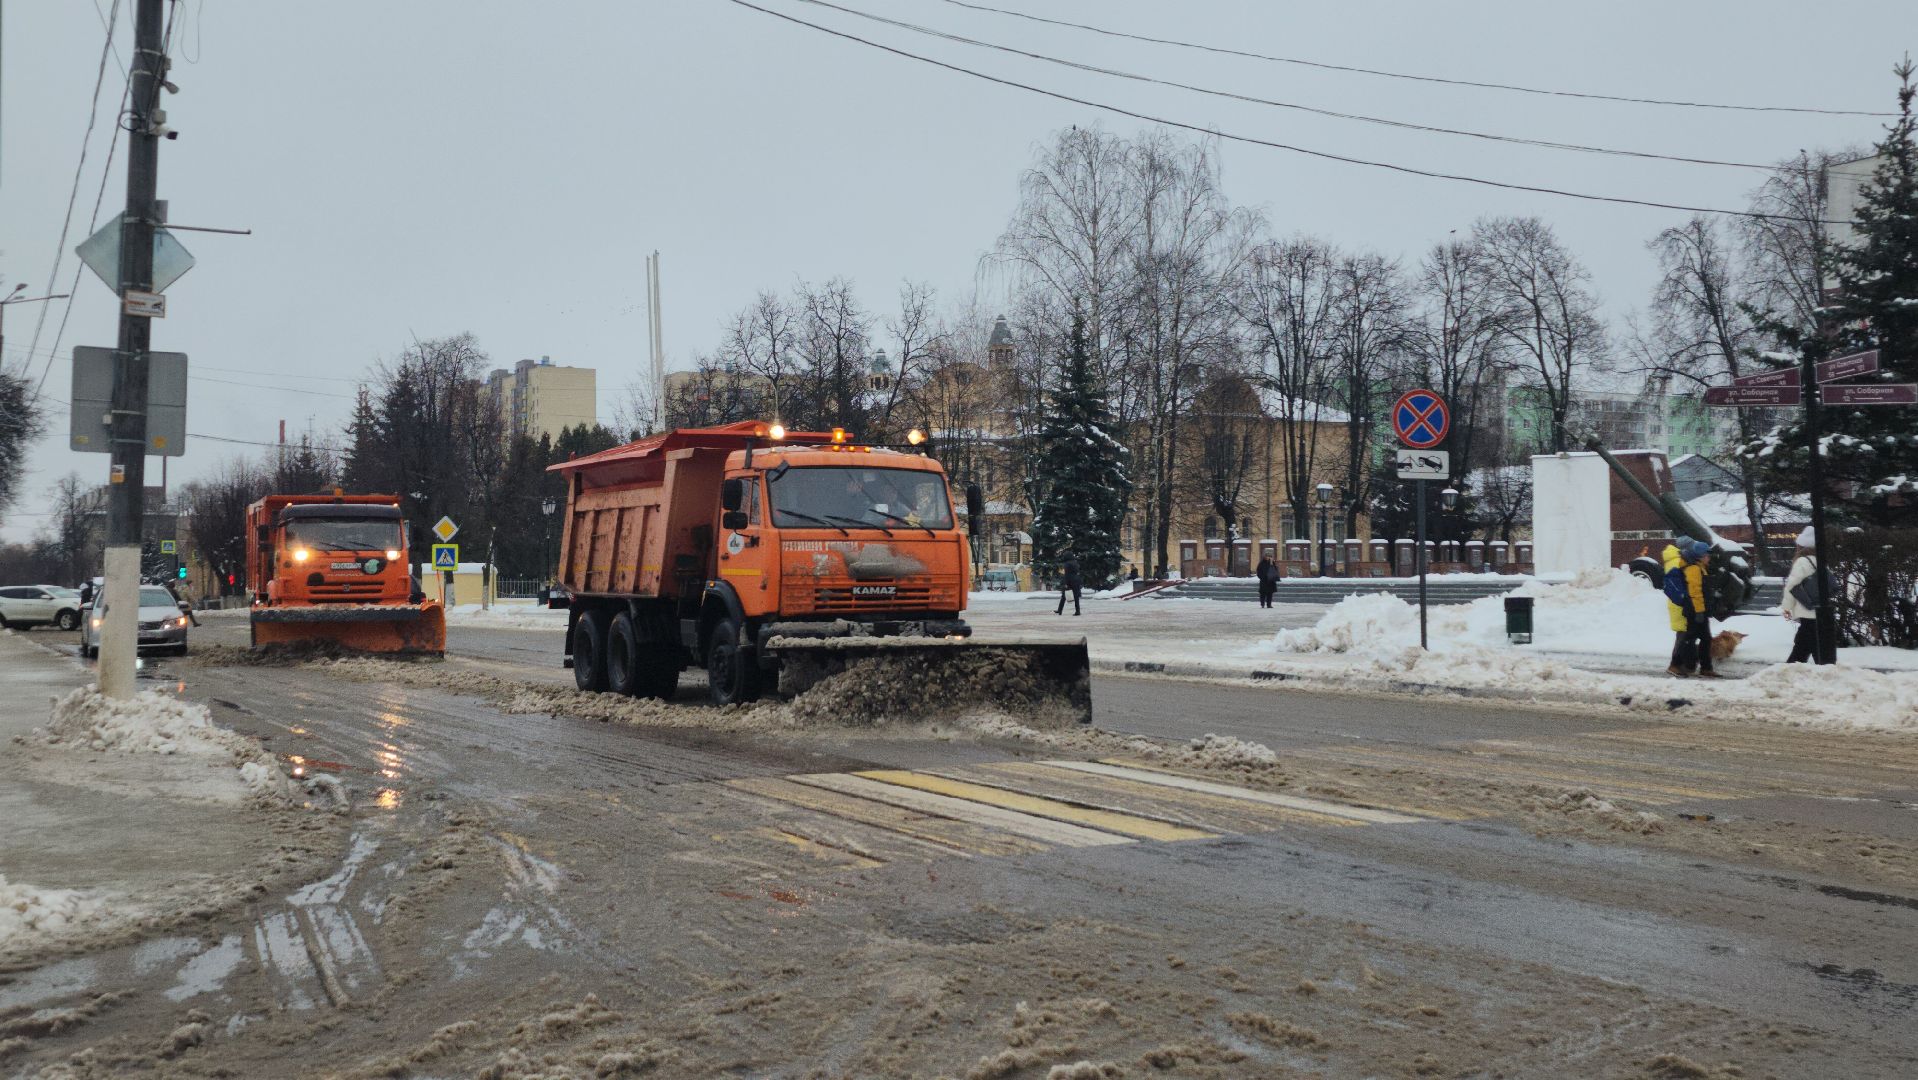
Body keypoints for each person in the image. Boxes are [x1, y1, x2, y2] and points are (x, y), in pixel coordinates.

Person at [1664, 538, 1716, 678]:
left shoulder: (1700, 567)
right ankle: (1675, 665)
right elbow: (1695, 592)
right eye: (1707, 555)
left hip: (1700, 609)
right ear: (1700, 556)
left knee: (1706, 638)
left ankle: (1706, 667)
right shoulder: (1693, 569)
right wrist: (1699, 611)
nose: (1709, 557)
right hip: (1694, 610)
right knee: (1688, 638)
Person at [1780, 526, 1822, 663]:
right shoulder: (1820, 560)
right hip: (1819, 608)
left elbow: (1792, 585)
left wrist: (1786, 607)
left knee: (1804, 643)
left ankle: (1791, 668)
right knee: (1810, 642)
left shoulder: (1802, 562)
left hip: (1805, 607)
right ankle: (1825, 667)